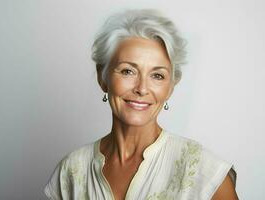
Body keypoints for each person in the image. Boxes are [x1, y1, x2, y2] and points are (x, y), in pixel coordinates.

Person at [44, 9, 238, 200]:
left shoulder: (202, 172)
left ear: (171, 87)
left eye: (157, 75)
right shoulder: (71, 170)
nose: (142, 88)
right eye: (128, 71)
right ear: (102, 78)